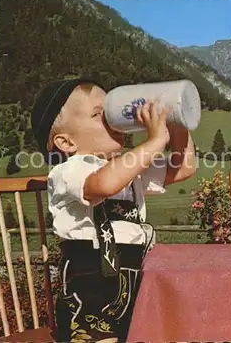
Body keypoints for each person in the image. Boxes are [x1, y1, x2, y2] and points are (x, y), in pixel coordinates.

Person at [30, 78, 196, 342]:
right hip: (89, 294)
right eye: (99, 115)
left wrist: (175, 120)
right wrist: (154, 142)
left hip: (134, 289)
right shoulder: (69, 170)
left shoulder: (126, 167)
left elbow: (184, 167)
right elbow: (104, 183)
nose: (111, 120)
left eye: (111, 111)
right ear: (67, 142)